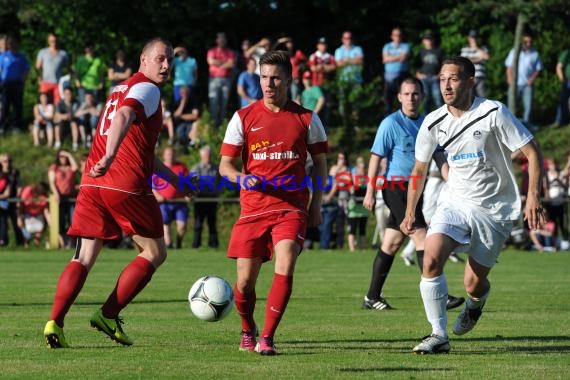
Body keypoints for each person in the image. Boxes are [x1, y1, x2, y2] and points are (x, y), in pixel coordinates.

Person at [43, 37, 196, 349]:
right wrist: (110, 157)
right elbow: (125, 117)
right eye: (159, 59)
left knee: (84, 256)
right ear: (143, 61)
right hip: (123, 182)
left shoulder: (119, 89)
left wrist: (174, 180)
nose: (166, 65)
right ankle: (108, 315)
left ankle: (54, 323)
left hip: (92, 183)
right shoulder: (148, 89)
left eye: (169, 60)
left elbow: (142, 149)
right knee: (154, 252)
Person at [400, 56, 545, 354]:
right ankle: (438, 334)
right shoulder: (433, 122)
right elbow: (419, 169)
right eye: (441, 79)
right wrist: (409, 210)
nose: (446, 85)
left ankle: (475, 305)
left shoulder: (493, 112)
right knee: (429, 259)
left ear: (470, 81)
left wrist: (533, 196)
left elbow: (532, 152)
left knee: (473, 284)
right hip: (455, 201)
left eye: (453, 78)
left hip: (494, 210)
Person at [219, 50, 328, 355]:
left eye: (275, 78)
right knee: (243, 284)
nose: (269, 84)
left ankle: (266, 337)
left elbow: (320, 164)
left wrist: (316, 204)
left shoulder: (307, 118)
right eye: (264, 77)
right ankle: (247, 328)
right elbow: (224, 166)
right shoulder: (243, 117)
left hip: (291, 207)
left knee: (286, 262)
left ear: (289, 80)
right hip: (253, 208)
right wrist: (241, 179)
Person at [361, 77, 464, 311]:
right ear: (399, 97)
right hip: (396, 188)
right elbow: (376, 158)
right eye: (406, 94)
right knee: (422, 237)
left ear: (422, 96)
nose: (411, 98)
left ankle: (372, 297)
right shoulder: (390, 124)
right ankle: (440, 295)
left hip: (416, 189)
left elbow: (439, 156)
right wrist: (369, 190)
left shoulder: (429, 122)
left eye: (415, 94)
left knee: (392, 241)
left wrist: (454, 183)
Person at [152, 147, 189, 249]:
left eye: (172, 154)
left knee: (182, 227)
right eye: (168, 154)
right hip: (164, 203)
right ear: (164, 155)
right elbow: (152, 185)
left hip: (180, 203)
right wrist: (158, 196)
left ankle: (179, 242)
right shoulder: (158, 167)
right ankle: (169, 246)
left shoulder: (181, 167)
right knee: (165, 224)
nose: (170, 156)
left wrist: (188, 194)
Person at [504, 32, 542, 127]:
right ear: (522, 42)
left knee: (528, 106)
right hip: (515, 84)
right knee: (512, 105)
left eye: (530, 41)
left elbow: (538, 69)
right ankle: (510, 125)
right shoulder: (514, 52)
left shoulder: (535, 53)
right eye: (526, 41)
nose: (528, 43)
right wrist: (509, 79)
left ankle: (527, 126)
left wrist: (532, 79)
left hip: (527, 85)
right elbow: (509, 67)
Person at [191, 145, 220, 249]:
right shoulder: (195, 168)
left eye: (209, 155)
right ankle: (196, 245)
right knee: (198, 223)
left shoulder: (216, 169)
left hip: (212, 199)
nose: (208, 157)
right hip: (200, 200)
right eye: (206, 155)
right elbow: (194, 184)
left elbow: (218, 184)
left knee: (212, 223)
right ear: (201, 156)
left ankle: (214, 245)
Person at [47, 150, 78, 248]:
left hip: (71, 198)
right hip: (59, 198)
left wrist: (69, 154)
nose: (63, 159)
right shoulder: (54, 168)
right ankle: (63, 242)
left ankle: (72, 242)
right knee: (60, 221)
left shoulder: (70, 168)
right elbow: (52, 182)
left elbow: (75, 167)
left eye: (65, 157)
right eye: (61, 157)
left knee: (72, 220)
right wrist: (56, 193)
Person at [0, 36, 30, 133]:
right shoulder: (3, 56)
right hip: (6, 84)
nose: (12, 45)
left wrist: (23, 80)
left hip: (17, 84)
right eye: (10, 44)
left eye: (13, 43)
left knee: (17, 106)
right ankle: (3, 125)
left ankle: (16, 126)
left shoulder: (21, 57)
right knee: (5, 105)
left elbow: (26, 69)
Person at [207, 32, 235, 128]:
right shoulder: (212, 51)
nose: (221, 41)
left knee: (224, 103)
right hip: (214, 79)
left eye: (223, 39)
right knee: (213, 102)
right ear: (217, 40)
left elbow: (231, 64)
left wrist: (218, 63)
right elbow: (210, 62)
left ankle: (221, 125)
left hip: (226, 80)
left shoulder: (230, 52)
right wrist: (225, 62)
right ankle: (214, 124)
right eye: (220, 39)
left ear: (226, 41)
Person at [334, 31, 364, 123]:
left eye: (350, 37)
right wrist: (353, 60)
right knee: (343, 102)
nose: (348, 40)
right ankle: (345, 123)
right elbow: (338, 64)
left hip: (356, 80)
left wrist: (346, 60)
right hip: (343, 80)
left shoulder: (358, 48)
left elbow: (360, 61)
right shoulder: (338, 50)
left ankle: (355, 123)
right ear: (342, 39)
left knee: (355, 103)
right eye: (346, 38)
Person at [382, 27, 411, 115]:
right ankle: (389, 120)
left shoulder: (405, 46)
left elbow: (404, 58)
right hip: (388, 78)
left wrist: (390, 57)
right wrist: (398, 57)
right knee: (388, 101)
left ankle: (402, 119)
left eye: (399, 35)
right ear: (392, 36)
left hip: (402, 76)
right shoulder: (387, 46)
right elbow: (385, 59)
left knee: (402, 100)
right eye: (395, 35)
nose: (397, 37)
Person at [35, 32, 69, 105]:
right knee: (44, 104)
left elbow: (68, 67)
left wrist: (66, 79)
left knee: (58, 104)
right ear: (48, 41)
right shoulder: (43, 52)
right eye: (52, 41)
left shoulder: (63, 54)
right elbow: (37, 67)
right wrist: (39, 78)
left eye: (55, 41)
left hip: (58, 83)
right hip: (45, 82)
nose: (54, 42)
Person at [415, 30, 443, 113]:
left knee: (438, 97)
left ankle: (441, 116)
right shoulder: (421, 52)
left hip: (435, 78)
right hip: (424, 78)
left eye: (430, 39)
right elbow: (415, 65)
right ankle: (426, 118)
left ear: (433, 40)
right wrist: (418, 74)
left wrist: (439, 75)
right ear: (423, 41)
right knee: (425, 99)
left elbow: (444, 64)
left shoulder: (439, 51)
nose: (429, 41)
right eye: (427, 39)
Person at [18, 181, 50, 248]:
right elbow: (21, 203)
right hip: (27, 215)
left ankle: (37, 248)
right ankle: (26, 248)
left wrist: (50, 223)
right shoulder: (29, 190)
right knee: (27, 236)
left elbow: (46, 210)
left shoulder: (44, 196)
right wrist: (19, 217)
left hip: (39, 215)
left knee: (38, 234)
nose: (42, 191)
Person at [460, 29, 490, 97]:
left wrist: (476, 48)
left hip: (480, 77)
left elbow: (487, 57)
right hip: (468, 78)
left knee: (482, 98)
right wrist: (479, 59)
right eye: (472, 37)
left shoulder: (483, 48)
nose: (474, 39)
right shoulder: (465, 49)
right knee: (469, 98)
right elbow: (464, 62)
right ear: (469, 38)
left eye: (475, 37)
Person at [347, 159, 368, 251]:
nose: (362, 170)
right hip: (354, 208)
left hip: (363, 208)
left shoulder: (367, 180)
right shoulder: (353, 179)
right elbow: (351, 190)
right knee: (352, 228)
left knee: (362, 229)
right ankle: (352, 249)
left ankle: (362, 248)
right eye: (360, 168)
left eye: (363, 168)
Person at [554, 46, 570, 128]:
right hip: (568, 81)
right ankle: (559, 121)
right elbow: (559, 67)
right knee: (563, 102)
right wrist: (563, 80)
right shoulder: (567, 52)